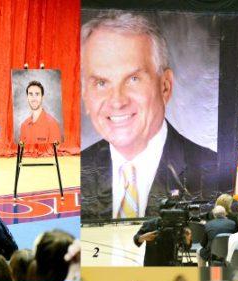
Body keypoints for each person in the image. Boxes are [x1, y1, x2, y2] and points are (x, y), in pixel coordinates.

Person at [80, 11, 216, 221]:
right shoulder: (75, 172)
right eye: (101, 83)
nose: (117, 101)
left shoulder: (212, 173)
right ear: (85, 95)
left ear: (165, 86)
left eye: (133, 79)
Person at [19, 80, 62, 149]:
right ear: (27, 97)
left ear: (42, 97)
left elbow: (55, 152)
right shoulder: (24, 125)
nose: (33, 98)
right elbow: (21, 150)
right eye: (30, 94)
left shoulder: (52, 124)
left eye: (37, 94)